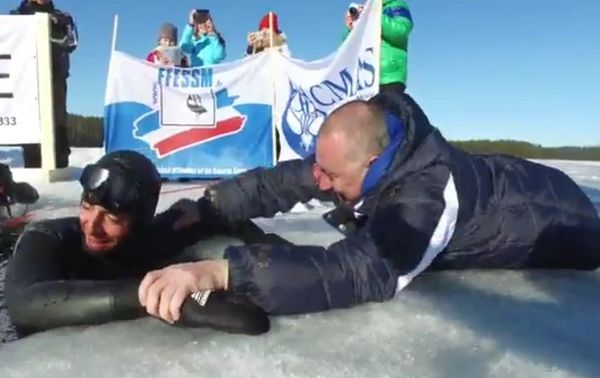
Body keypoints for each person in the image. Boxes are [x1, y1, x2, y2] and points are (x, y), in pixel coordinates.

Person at [138, 91, 600, 323]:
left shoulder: (425, 200)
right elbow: (286, 180)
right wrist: (207, 208)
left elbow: (361, 272)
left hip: (567, 220)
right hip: (511, 180)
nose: (317, 181)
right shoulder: (362, 151)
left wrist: (222, 273)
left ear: (376, 165)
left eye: (331, 176)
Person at [5, 150, 269, 336]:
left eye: (111, 218)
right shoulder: (47, 238)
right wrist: (153, 296)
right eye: (86, 207)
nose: (92, 226)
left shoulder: (160, 235)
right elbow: (25, 304)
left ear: (141, 221)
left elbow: (237, 229)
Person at [10, 0, 78, 168]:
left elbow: (72, 42)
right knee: (31, 120)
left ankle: (61, 165)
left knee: (58, 120)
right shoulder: (16, 17)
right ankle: (33, 166)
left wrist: (48, 29)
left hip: (55, 78)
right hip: (26, 79)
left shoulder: (63, 17)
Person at [343, 1, 413, 96]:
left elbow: (400, 31)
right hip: (365, 80)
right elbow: (345, 50)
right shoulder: (366, 14)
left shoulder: (396, 4)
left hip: (388, 77)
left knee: (399, 106)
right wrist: (350, 29)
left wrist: (373, 15)